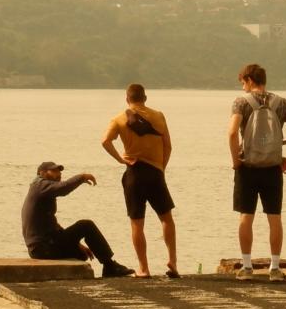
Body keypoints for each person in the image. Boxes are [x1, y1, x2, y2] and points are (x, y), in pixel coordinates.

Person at [226, 63, 286, 280]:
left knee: (246, 217)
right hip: (273, 169)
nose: (243, 87)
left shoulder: (241, 103)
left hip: (248, 168)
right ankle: (274, 269)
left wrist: (236, 161)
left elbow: (233, 133)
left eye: (243, 83)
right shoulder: (281, 103)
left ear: (250, 80)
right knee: (274, 218)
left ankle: (246, 268)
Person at [101, 83, 179, 279]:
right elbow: (168, 146)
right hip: (155, 172)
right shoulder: (159, 116)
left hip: (133, 172)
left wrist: (120, 158)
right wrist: (161, 167)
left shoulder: (119, 119)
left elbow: (105, 141)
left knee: (137, 223)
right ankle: (173, 262)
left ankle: (143, 268)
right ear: (145, 98)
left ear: (127, 99)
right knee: (166, 218)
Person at [20, 160, 133, 276]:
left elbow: (51, 224)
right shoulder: (40, 185)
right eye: (53, 171)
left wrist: (77, 243)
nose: (58, 174)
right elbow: (63, 188)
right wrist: (82, 177)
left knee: (81, 254)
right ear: (41, 173)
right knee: (86, 225)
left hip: (42, 247)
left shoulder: (42, 191)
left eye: (59, 171)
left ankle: (109, 267)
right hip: (43, 248)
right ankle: (110, 267)